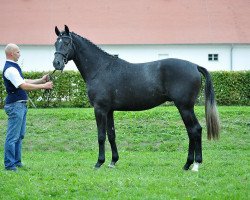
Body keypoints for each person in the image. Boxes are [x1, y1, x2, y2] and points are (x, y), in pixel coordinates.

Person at [2, 43, 53, 171]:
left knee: (20, 136)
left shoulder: (14, 67)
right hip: (15, 106)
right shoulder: (10, 69)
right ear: (12, 53)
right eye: (18, 52)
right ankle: (9, 165)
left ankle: (17, 162)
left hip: (20, 105)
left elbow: (25, 81)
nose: (20, 54)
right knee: (13, 137)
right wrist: (44, 86)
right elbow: (23, 86)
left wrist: (41, 80)